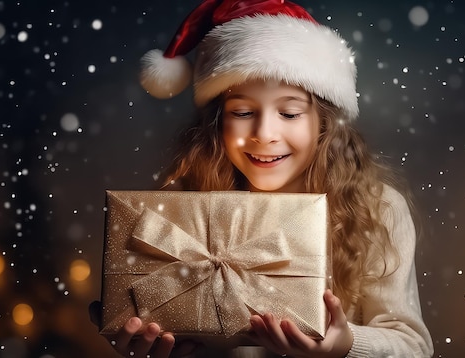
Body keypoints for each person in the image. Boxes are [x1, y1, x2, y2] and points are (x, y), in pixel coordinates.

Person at [92, 0, 434, 357]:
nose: (264, 133)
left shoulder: (376, 208)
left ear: (323, 123)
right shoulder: (182, 206)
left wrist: (346, 345)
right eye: (242, 111)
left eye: (289, 112)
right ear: (217, 121)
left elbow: (412, 346)